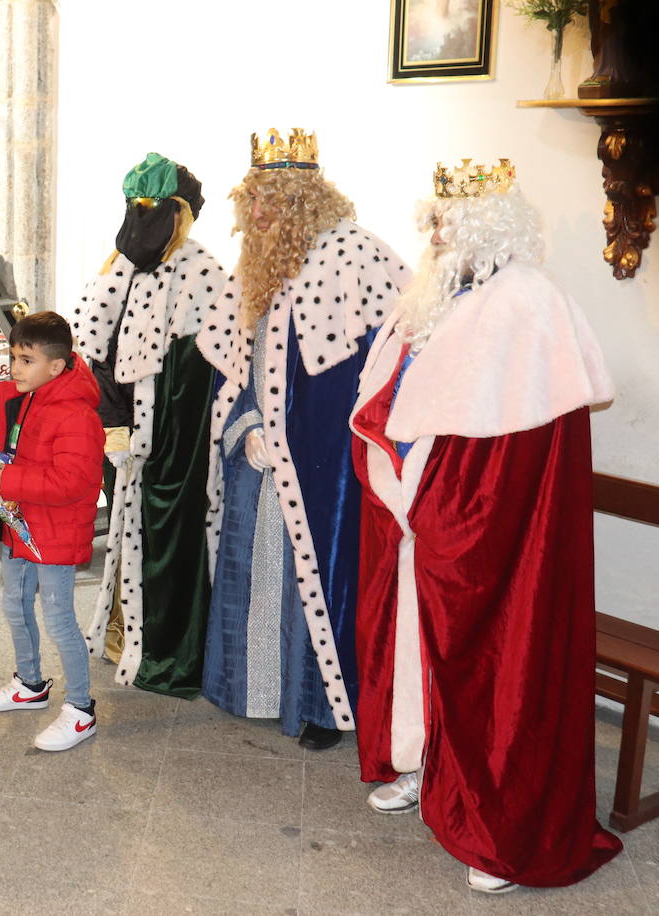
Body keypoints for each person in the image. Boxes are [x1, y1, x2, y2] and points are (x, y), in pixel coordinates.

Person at [351, 159, 621, 893]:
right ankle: (423, 763)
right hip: (420, 513)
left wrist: (447, 504)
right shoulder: (434, 294)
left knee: (495, 663)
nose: (434, 234)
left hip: (490, 536)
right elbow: (398, 392)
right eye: (431, 220)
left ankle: (500, 821)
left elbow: (512, 450)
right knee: (416, 647)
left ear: (488, 226)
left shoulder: (528, 304)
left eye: (447, 221)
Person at [195, 129, 409, 751]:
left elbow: (389, 358)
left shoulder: (355, 255)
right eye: (251, 200)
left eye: (269, 200)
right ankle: (248, 686)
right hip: (260, 447)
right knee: (253, 562)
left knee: (316, 573)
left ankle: (320, 704)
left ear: (304, 200)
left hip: (324, 461)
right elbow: (236, 360)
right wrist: (246, 425)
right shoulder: (257, 264)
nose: (256, 215)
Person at [72, 152, 224, 696]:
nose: (141, 216)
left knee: (164, 539)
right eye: (133, 205)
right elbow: (96, 347)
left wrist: (151, 434)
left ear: (178, 212)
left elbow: (203, 373)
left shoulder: (201, 271)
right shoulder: (116, 267)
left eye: (153, 206)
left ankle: (166, 649)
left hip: (170, 444)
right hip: (117, 428)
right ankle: (122, 633)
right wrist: (109, 422)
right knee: (122, 530)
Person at [0, 311, 105, 752]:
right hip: (20, 526)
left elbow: (74, 482)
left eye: (26, 359)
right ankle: (29, 684)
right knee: (13, 603)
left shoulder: (75, 415)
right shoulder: (26, 397)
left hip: (54, 533)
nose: (15, 367)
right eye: (13, 357)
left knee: (59, 619)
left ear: (57, 366)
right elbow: (14, 455)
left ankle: (81, 711)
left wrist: (7, 482)